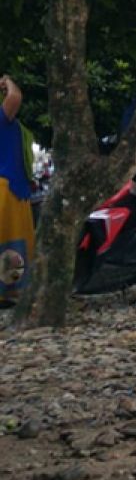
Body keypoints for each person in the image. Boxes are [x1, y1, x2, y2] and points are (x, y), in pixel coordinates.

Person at [0, 76, 34, 308]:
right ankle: (10, 291)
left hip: (12, 186)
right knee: (12, 239)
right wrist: (9, 81)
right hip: (7, 187)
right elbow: (15, 97)